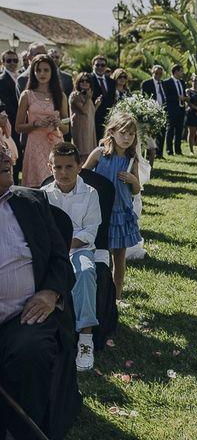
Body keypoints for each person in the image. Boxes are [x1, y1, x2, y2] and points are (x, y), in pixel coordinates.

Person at [0, 140, 79, 440]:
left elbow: (60, 260)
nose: (6, 157)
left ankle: (22, 434)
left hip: (25, 316)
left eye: (4, 151)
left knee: (28, 350)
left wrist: (50, 293)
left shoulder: (32, 202)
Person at [42, 142, 101, 372]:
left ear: (79, 167)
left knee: (85, 272)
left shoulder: (90, 194)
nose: (63, 172)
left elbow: (90, 231)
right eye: (58, 167)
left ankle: (86, 338)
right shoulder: (43, 194)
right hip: (52, 250)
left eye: (69, 166)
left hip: (80, 249)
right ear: (50, 167)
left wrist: (67, 245)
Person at [84, 112, 141, 301]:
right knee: (100, 255)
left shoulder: (131, 160)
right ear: (112, 132)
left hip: (120, 213)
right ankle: (99, 294)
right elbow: (83, 176)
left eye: (131, 134)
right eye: (123, 133)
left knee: (119, 257)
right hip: (100, 212)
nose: (127, 138)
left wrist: (132, 180)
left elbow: (135, 190)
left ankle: (117, 296)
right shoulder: (99, 154)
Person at [15, 54, 69, 187]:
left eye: (46, 70)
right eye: (38, 70)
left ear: (52, 72)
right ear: (33, 72)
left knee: (56, 183)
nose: (42, 73)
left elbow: (66, 129)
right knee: (36, 186)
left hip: (55, 144)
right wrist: (35, 124)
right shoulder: (27, 95)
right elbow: (18, 127)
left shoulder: (60, 96)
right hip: (34, 145)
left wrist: (59, 123)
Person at [0, 50, 22, 182]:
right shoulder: (1, 80)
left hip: (20, 126)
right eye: (9, 60)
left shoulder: (20, 77)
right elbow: (6, 106)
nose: (12, 63)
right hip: (10, 126)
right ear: (3, 62)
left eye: (15, 60)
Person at [68, 72, 99, 163]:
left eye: (87, 81)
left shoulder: (86, 95)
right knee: (82, 155)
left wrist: (96, 105)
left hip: (89, 129)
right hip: (80, 129)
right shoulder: (75, 95)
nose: (84, 82)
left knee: (90, 154)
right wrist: (89, 99)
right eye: (82, 80)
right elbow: (84, 111)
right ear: (78, 82)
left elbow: (90, 113)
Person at [140, 65, 166, 164]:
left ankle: (159, 153)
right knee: (149, 135)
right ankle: (147, 155)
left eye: (160, 73)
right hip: (151, 112)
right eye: (156, 73)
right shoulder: (147, 83)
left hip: (162, 112)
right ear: (152, 73)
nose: (158, 75)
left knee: (161, 133)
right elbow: (144, 98)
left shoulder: (163, 84)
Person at [163, 64, 188, 156]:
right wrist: (178, 98)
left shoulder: (182, 82)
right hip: (171, 109)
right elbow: (166, 96)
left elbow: (183, 94)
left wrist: (185, 98)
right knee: (170, 130)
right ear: (176, 71)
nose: (182, 73)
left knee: (179, 130)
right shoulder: (167, 82)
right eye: (181, 71)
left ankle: (178, 150)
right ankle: (169, 150)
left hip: (181, 109)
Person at [90, 55, 116, 142]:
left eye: (103, 65)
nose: (100, 67)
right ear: (93, 66)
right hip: (92, 117)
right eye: (97, 65)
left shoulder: (111, 82)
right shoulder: (88, 79)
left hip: (108, 119)